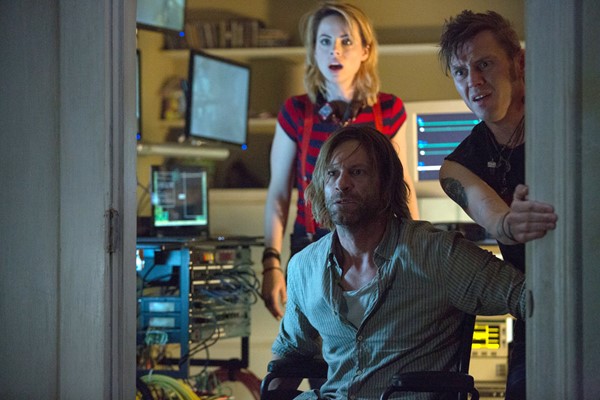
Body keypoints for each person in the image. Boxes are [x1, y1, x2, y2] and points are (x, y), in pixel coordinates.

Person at [269, 125, 528, 399]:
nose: (341, 184)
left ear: (385, 184)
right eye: (332, 173)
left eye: (357, 172)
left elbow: (526, 297)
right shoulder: (304, 267)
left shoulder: (435, 253)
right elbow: (289, 354)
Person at [261, 1, 419, 320]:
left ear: (365, 50)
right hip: (311, 249)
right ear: (314, 50)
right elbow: (279, 193)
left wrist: (416, 252)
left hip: (380, 250)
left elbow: (403, 187)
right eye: (325, 41)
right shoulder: (296, 112)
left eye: (346, 41)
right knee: (314, 346)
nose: (335, 50)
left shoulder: (388, 110)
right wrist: (271, 264)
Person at [438, 10, 558, 399]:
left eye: (484, 64)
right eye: (460, 72)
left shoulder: (562, 118)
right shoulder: (458, 166)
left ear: (518, 63)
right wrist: (509, 224)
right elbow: (491, 213)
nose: (473, 81)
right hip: (537, 312)